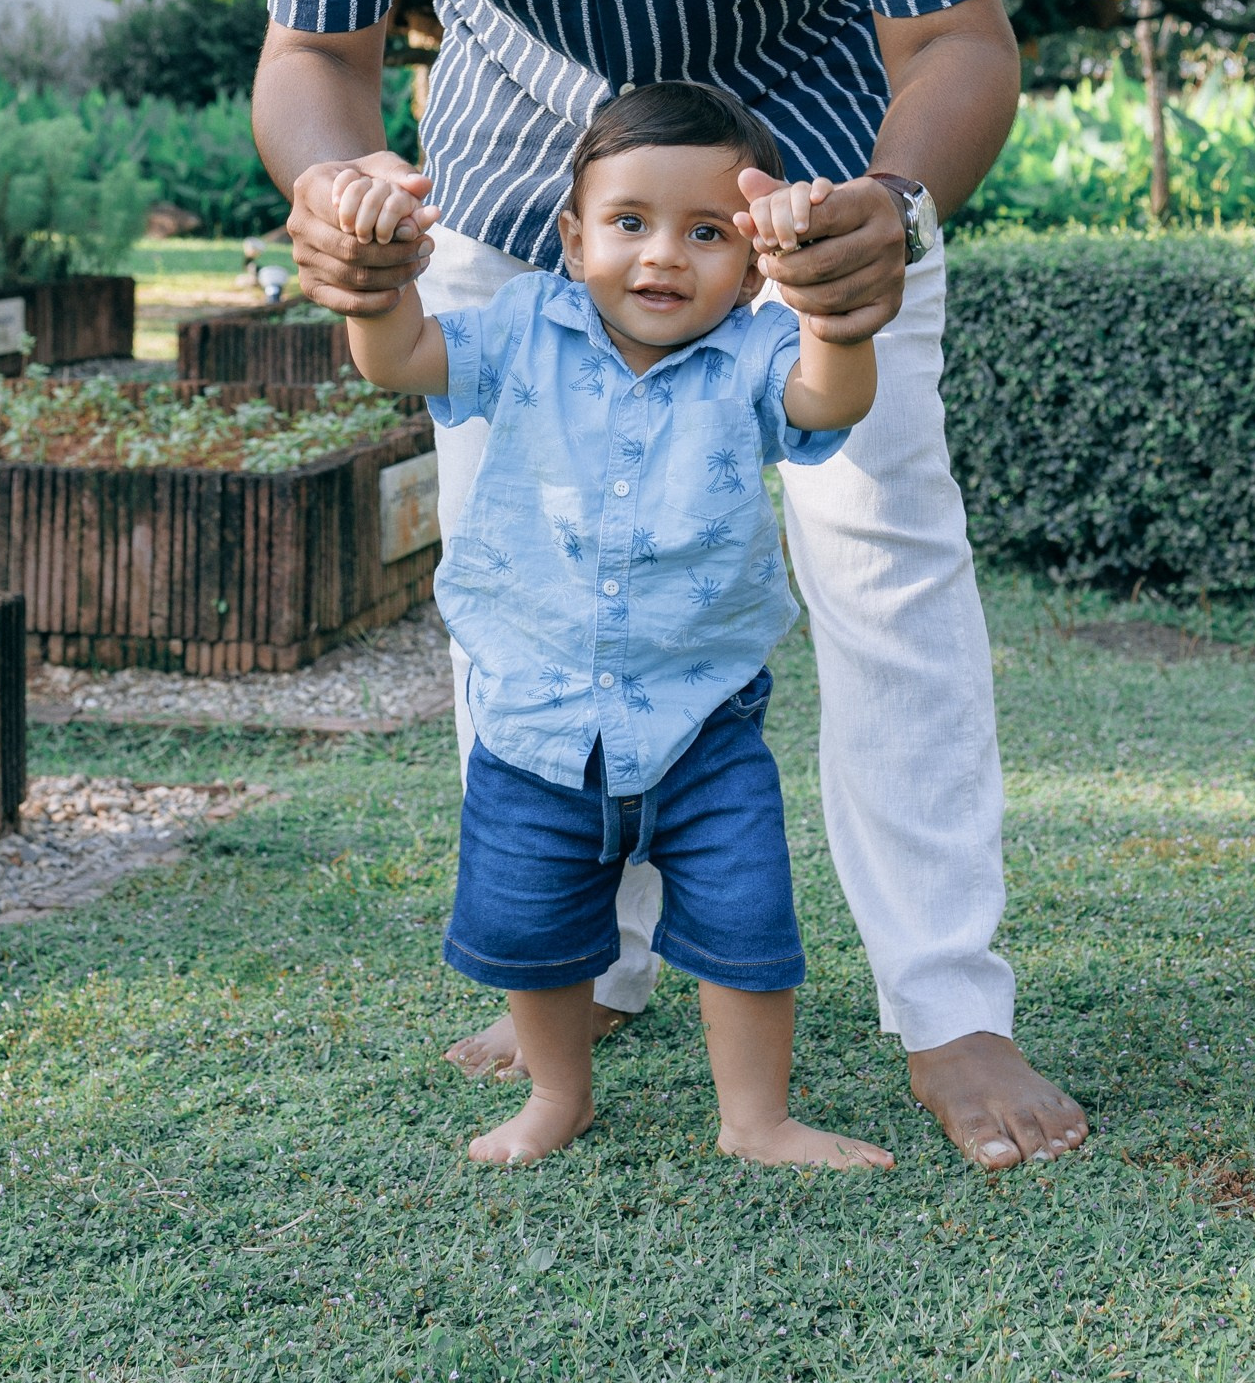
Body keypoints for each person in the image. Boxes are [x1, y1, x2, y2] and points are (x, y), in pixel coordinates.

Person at [253, 0, 1088, 1175]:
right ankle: (590, 962)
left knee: (880, 567)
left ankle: (950, 1005)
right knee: (531, 583)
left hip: (809, 185)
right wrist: (338, 192)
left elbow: (957, 42)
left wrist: (888, 211)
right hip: (519, 189)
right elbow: (313, 56)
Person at [327, 80, 892, 1171]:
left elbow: (830, 404)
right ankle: (557, 1094)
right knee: (532, 930)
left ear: (753, 262)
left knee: (744, 922)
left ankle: (756, 1120)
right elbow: (401, 359)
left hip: (704, 721)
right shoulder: (524, 328)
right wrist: (378, 284)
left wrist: (830, 311)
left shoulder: (757, 352)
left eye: (708, 232)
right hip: (535, 719)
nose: (663, 256)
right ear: (574, 236)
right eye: (630, 222)